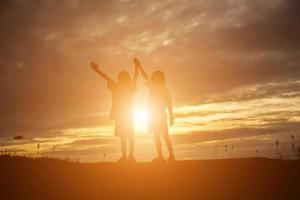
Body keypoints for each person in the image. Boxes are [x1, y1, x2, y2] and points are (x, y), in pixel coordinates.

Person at [90, 61, 138, 162]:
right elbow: (136, 77)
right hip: (127, 115)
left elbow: (106, 77)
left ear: (120, 78)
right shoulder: (129, 87)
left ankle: (127, 157)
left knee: (124, 136)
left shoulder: (117, 87)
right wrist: (136, 66)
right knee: (128, 136)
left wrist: (97, 70)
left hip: (122, 115)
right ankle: (129, 157)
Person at [133, 58, 175, 162]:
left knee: (158, 136)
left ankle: (161, 157)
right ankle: (171, 155)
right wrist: (171, 117)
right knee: (165, 136)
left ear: (156, 78)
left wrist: (138, 65)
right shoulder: (165, 89)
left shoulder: (154, 85)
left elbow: (144, 75)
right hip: (160, 113)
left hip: (155, 114)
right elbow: (169, 104)